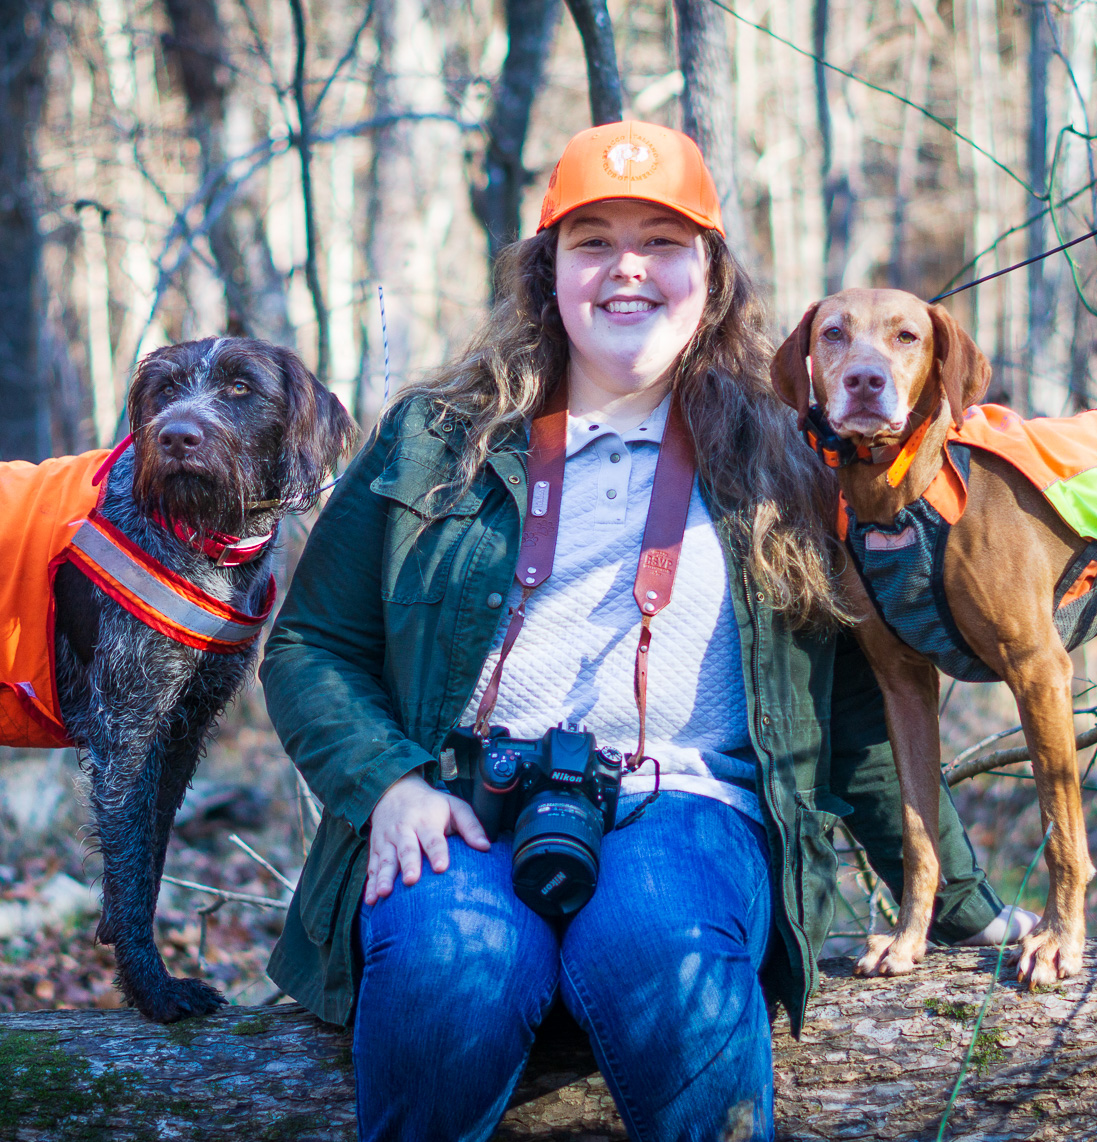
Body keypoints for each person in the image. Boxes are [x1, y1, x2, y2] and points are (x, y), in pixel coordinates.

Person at [259, 120, 1032, 1142]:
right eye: (592, 241)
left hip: (690, 804)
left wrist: (965, 903)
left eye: (662, 240)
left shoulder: (782, 459)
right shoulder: (434, 438)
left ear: (710, 276)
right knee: (452, 968)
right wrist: (387, 782)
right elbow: (309, 645)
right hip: (460, 798)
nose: (628, 267)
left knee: (662, 952)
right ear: (547, 275)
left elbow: (853, 716)